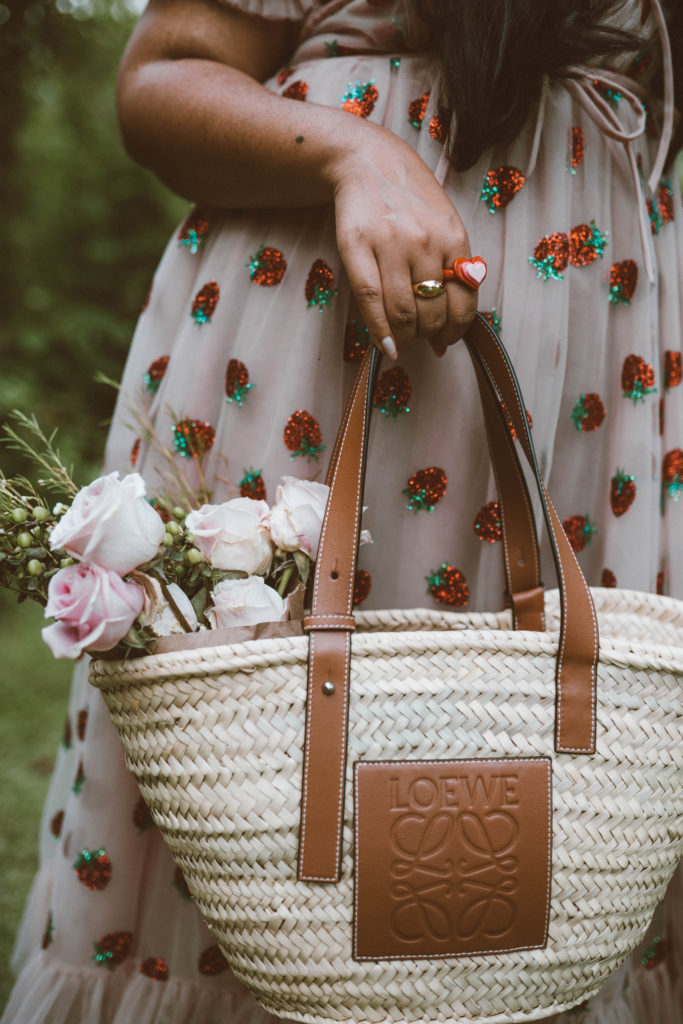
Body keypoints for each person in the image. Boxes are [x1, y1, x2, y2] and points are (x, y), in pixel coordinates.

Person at [2, 0, 681, 1021]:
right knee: (249, 723)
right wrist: (354, 153)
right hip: (319, 325)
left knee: (578, 747)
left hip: (596, 361)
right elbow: (159, 80)